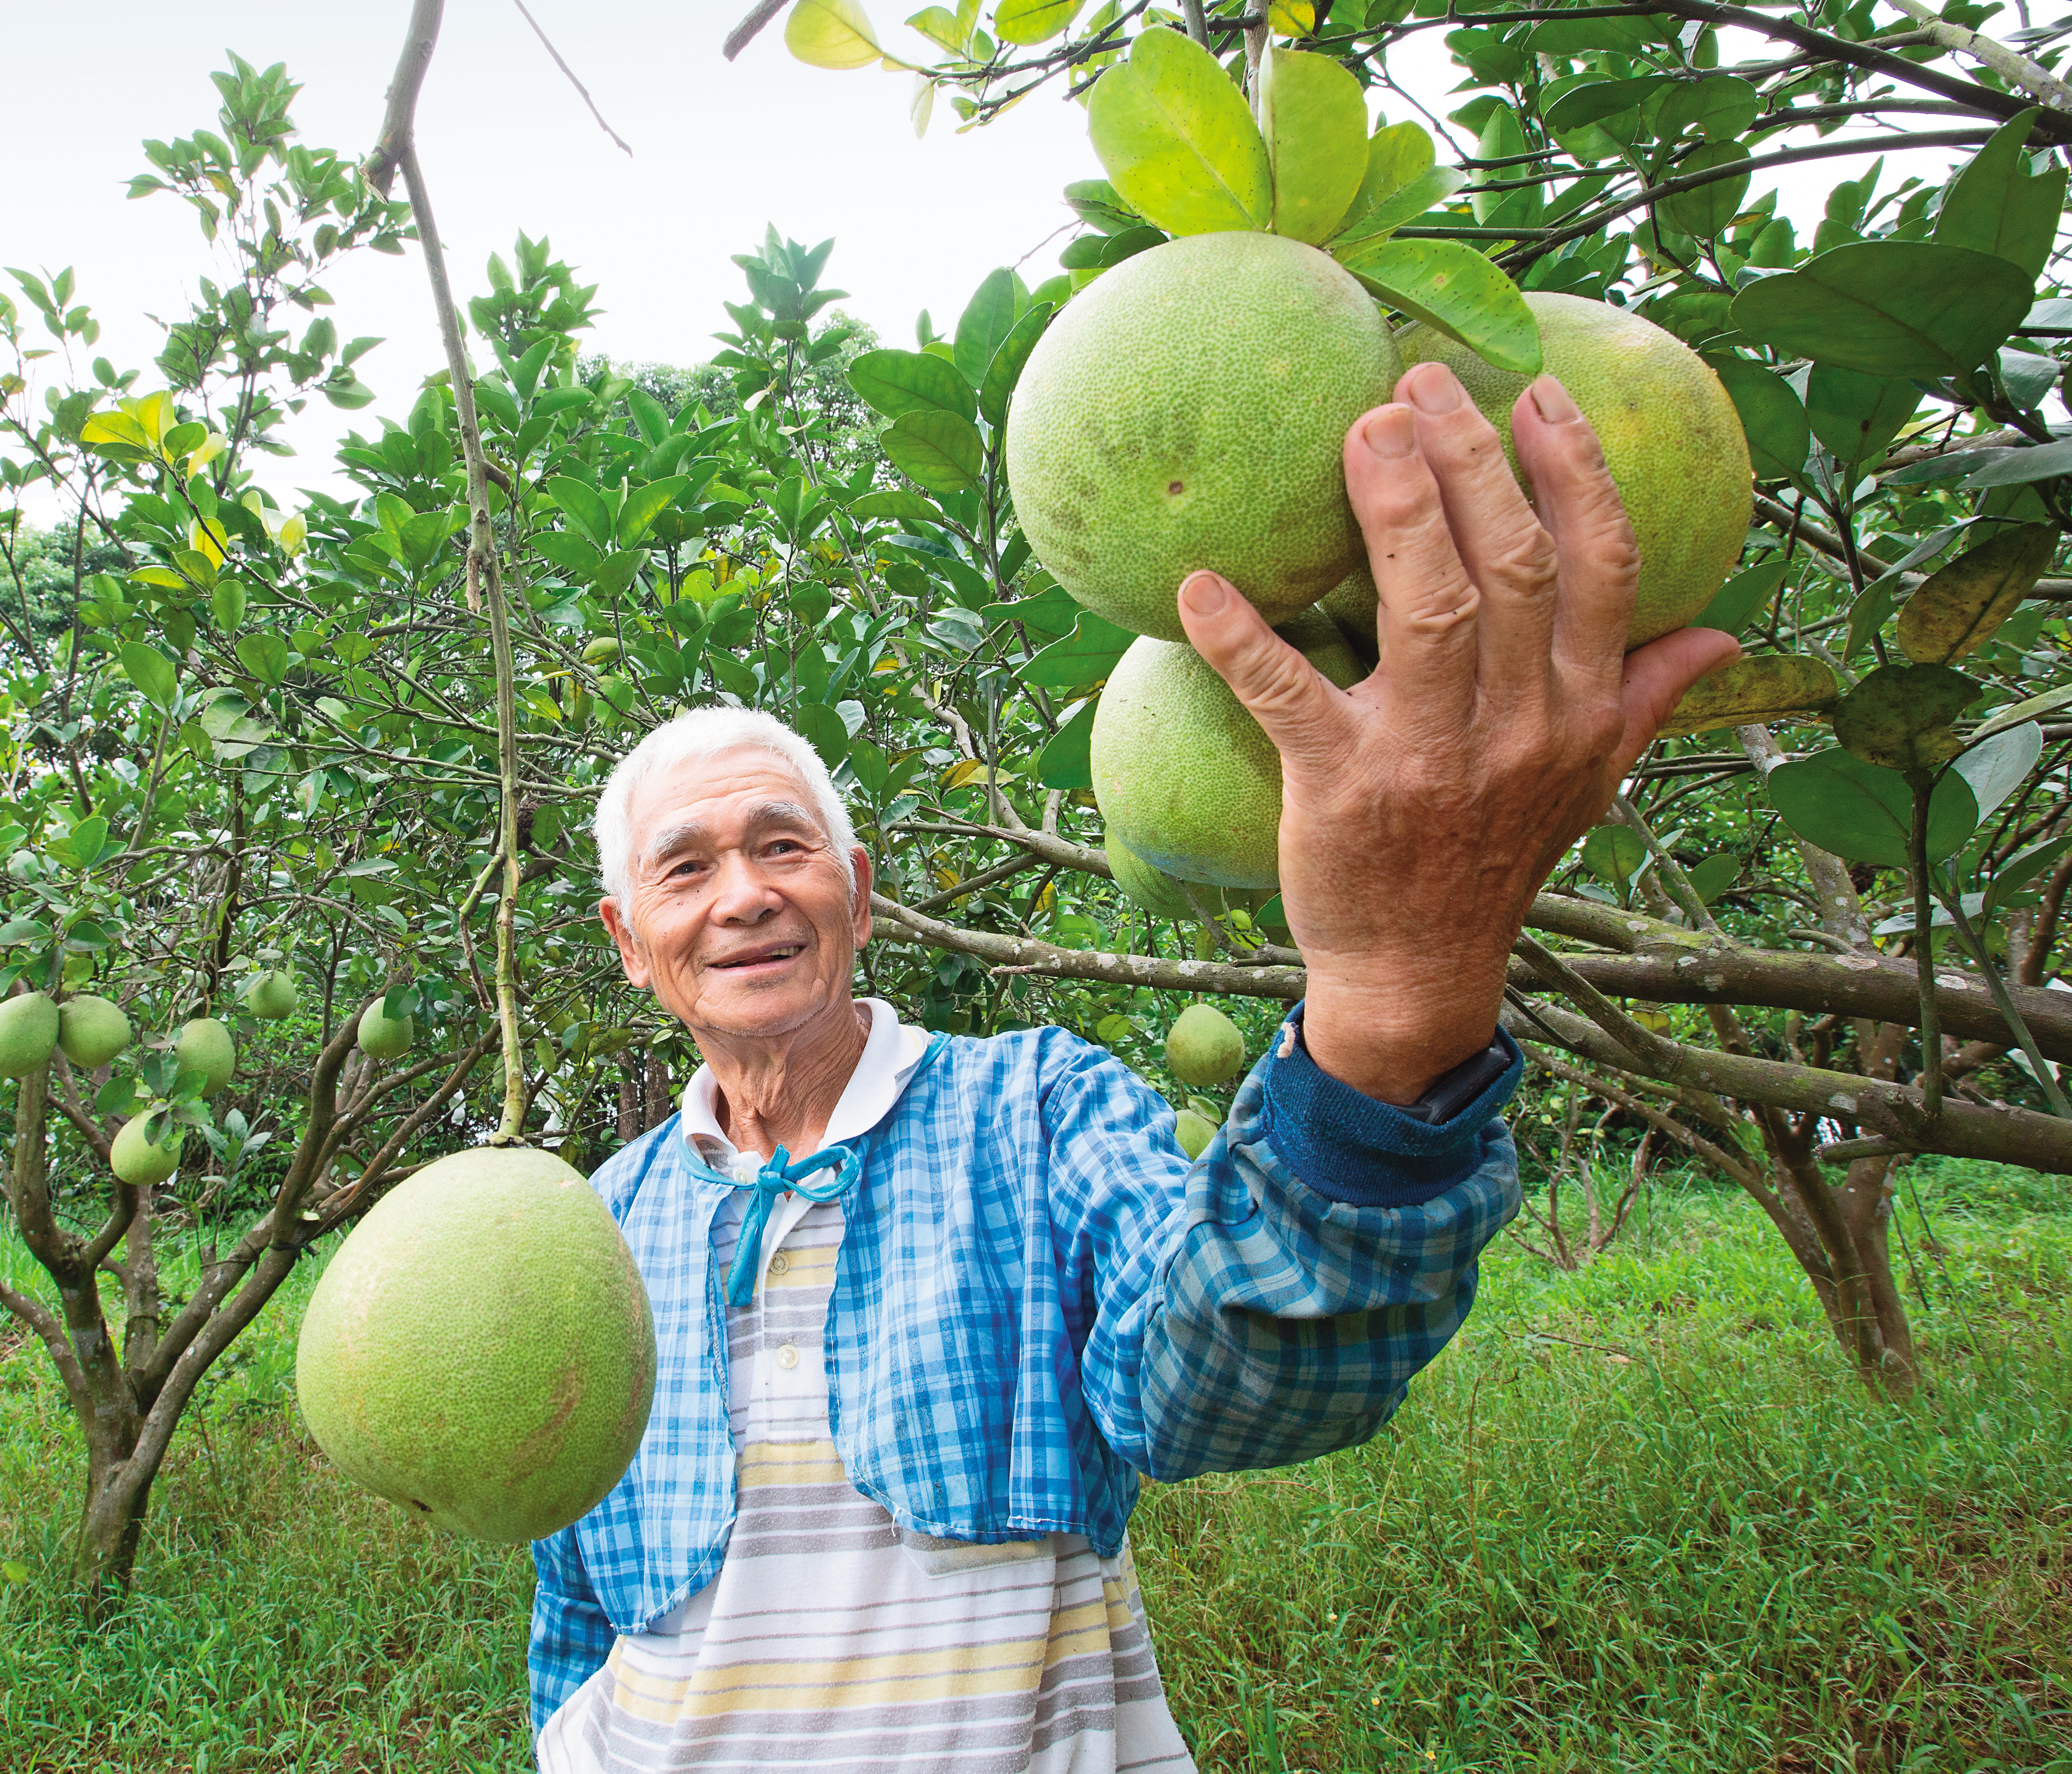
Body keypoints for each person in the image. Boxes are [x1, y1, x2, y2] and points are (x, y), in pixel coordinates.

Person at [528, 363, 1739, 1772]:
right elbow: (572, 1596)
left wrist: (1394, 1002)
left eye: (782, 845)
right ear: (630, 940)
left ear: (858, 892)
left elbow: (1223, 1385)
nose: (742, 895)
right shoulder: (600, 1221)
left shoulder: (1034, 1111)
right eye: (687, 867)